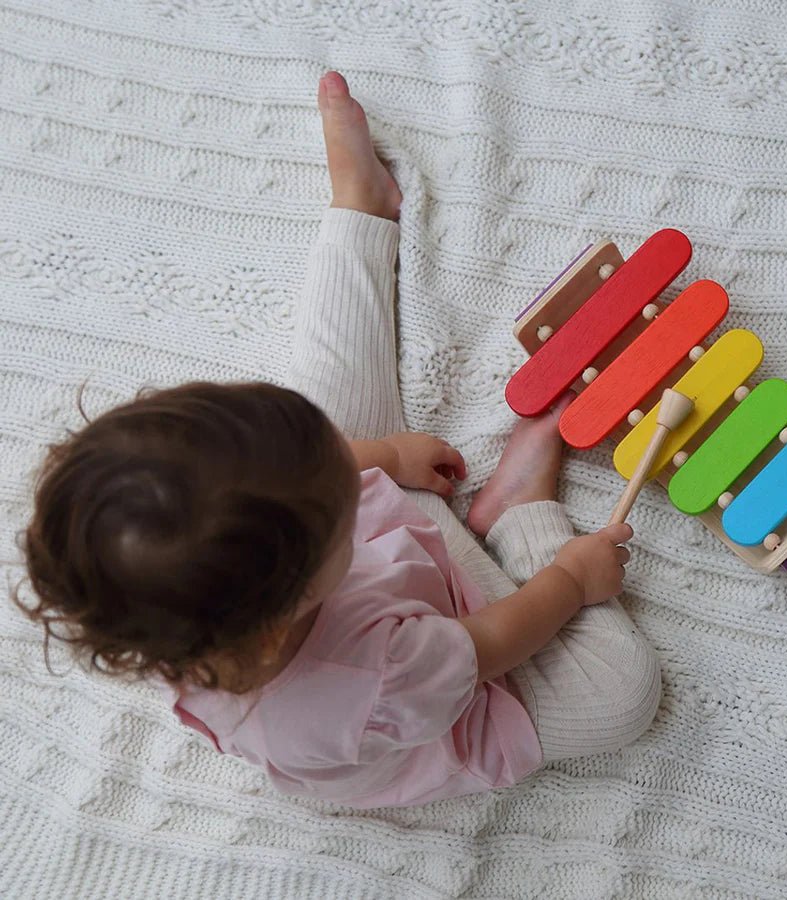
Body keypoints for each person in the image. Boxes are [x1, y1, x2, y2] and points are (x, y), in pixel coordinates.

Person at [14, 71, 661, 809]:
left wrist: (382, 456)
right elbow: (494, 645)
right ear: (284, 613)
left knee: (330, 395)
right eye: (342, 495)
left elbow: (312, 466)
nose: (356, 478)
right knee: (622, 692)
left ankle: (361, 208)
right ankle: (516, 515)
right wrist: (572, 579)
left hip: (380, 581)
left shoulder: (192, 583)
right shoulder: (374, 679)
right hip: (467, 665)